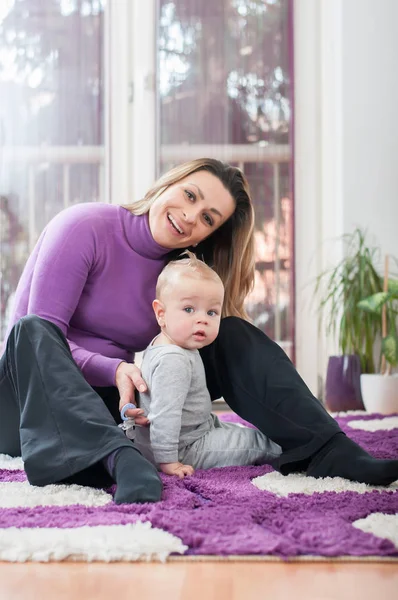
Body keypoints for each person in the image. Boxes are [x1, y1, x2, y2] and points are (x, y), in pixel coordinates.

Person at [0, 159, 397, 507]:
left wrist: (128, 377)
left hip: (110, 404)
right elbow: (37, 337)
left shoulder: (178, 273)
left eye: (208, 218)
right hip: (28, 402)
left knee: (229, 332)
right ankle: (119, 460)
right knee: (32, 331)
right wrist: (114, 369)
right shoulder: (84, 226)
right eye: (190, 196)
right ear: (169, 183)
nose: (191, 216)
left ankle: (326, 448)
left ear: (207, 235)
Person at [134, 252, 282, 477]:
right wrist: (169, 461)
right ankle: (295, 452)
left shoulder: (164, 343)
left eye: (211, 312)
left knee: (236, 431)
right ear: (161, 314)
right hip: (184, 447)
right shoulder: (174, 360)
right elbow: (165, 415)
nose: (202, 319)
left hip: (195, 429)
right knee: (257, 443)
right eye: (189, 309)